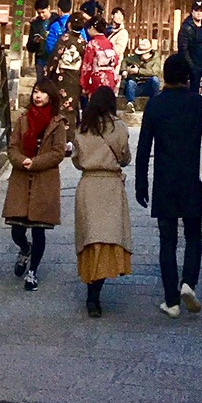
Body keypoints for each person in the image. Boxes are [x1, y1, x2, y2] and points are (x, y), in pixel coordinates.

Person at [134, 53, 202, 318]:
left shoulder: (155, 105)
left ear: (165, 75)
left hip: (165, 177)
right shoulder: (198, 103)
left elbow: (144, 147)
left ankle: (171, 300)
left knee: (167, 240)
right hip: (192, 176)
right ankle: (189, 282)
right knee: (193, 234)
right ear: (188, 77)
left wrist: (140, 182)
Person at [1, 75, 68, 290]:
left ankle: (33, 271)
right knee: (16, 229)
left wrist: (36, 162)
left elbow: (58, 153)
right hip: (21, 177)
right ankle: (24, 248)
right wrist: (22, 161)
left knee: (39, 229)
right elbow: (12, 148)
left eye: (42, 92)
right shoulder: (23, 119)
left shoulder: (58, 123)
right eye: (35, 91)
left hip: (44, 179)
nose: (38, 96)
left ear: (51, 96)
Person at [71, 84, 133, 317]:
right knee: (108, 238)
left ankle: (91, 292)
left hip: (88, 185)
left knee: (90, 239)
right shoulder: (119, 128)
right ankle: (95, 292)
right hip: (110, 186)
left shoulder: (83, 128)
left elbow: (77, 160)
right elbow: (125, 157)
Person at [80, 18, 120, 114]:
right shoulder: (109, 43)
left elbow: (87, 66)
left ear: (93, 28)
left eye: (89, 28)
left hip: (97, 78)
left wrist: (84, 84)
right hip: (110, 77)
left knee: (96, 106)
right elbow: (116, 61)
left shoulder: (92, 44)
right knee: (107, 105)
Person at [124, 36, 161, 107]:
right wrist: (124, 70)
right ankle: (130, 103)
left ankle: (155, 101)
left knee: (155, 80)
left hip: (149, 85)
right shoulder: (136, 57)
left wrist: (138, 71)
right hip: (137, 84)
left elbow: (154, 72)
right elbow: (125, 61)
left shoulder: (156, 60)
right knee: (130, 83)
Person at [107, 4, 132, 84]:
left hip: (115, 63)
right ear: (112, 16)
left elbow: (119, 50)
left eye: (121, 15)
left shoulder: (123, 32)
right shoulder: (107, 30)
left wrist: (107, 45)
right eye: (117, 14)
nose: (119, 16)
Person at [25, 0, 52, 66]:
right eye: (39, 13)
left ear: (48, 8)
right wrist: (35, 41)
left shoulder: (56, 21)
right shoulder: (35, 23)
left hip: (53, 58)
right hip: (40, 59)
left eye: (43, 12)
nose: (41, 15)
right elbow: (29, 47)